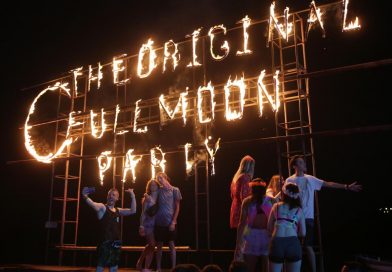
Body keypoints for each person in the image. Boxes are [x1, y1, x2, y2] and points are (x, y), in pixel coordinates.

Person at [286, 155, 362, 272]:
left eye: (303, 162)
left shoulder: (310, 178)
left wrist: (346, 187)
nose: (304, 164)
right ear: (295, 166)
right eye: (301, 163)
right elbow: (285, 198)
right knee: (293, 245)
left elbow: (328, 184)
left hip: (307, 217)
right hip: (293, 217)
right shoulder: (289, 180)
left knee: (308, 245)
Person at [81, 187, 137, 272]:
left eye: (113, 195)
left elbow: (133, 211)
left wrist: (132, 195)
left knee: (114, 267)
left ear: (117, 198)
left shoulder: (118, 211)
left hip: (116, 243)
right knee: (100, 267)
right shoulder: (103, 208)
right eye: (109, 194)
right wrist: (85, 196)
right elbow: (93, 204)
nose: (111, 196)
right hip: (105, 244)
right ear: (107, 196)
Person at [235, 179, 276, 272]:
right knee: (252, 267)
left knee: (261, 268)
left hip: (264, 234)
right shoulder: (247, 201)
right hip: (253, 233)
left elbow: (242, 224)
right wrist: (239, 243)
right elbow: (242, 224)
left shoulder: (271, 200)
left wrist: (238, 244)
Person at [267, 182, 306, 272]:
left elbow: (269, 228)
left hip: (277, 242)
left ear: (284, 193)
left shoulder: (276, 206)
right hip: (293, 243)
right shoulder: (299, 210)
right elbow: (303, 233)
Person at [154, 172, 182, 271]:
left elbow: (177, 207)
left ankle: (174, 268)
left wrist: (173, 222)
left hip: (170, 222)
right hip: (159, 222)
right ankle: (158, 268)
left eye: (160, 178)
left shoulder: (175, 190)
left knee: (171, 244)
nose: (159, 180)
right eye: (157, 178)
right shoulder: (158, 190)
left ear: (165, 178)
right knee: (159, 245)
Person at [136, 179, 160, 271]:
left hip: (157, 224)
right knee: (152, 244)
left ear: (157, 186)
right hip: (148, 224)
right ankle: (140, 261)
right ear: (149, 187)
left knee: (152, 246)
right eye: (151, 185)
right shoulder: (147, 197)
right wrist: (141, 225)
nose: (153, 186)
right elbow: (143, 213)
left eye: (155, 185)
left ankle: (146, 267)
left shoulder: (159, 196)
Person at [230, 155, 255, 229]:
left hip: (235, 208)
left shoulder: (236, 177)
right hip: (242, 210)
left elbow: (232, 195)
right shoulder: (245, 177)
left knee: (238, 235)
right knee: (244, 237)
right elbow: (244, 197)